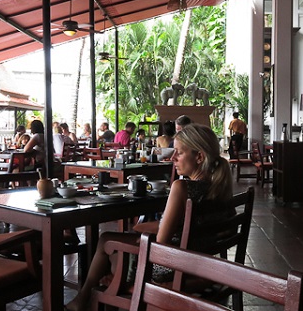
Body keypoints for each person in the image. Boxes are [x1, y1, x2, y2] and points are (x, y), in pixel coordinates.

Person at [65, 123, 233, 311]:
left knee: (107, 242)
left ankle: (95, 295)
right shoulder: (219, 188)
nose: (172, 158)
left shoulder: (182, 188)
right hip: (198, 264)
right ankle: (113, 287)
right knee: (125, 244)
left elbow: (160, 246)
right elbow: (204, 229)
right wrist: (142, 229)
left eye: (179, 152)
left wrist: (142, 235)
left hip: (170, 268)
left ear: (199, 157)